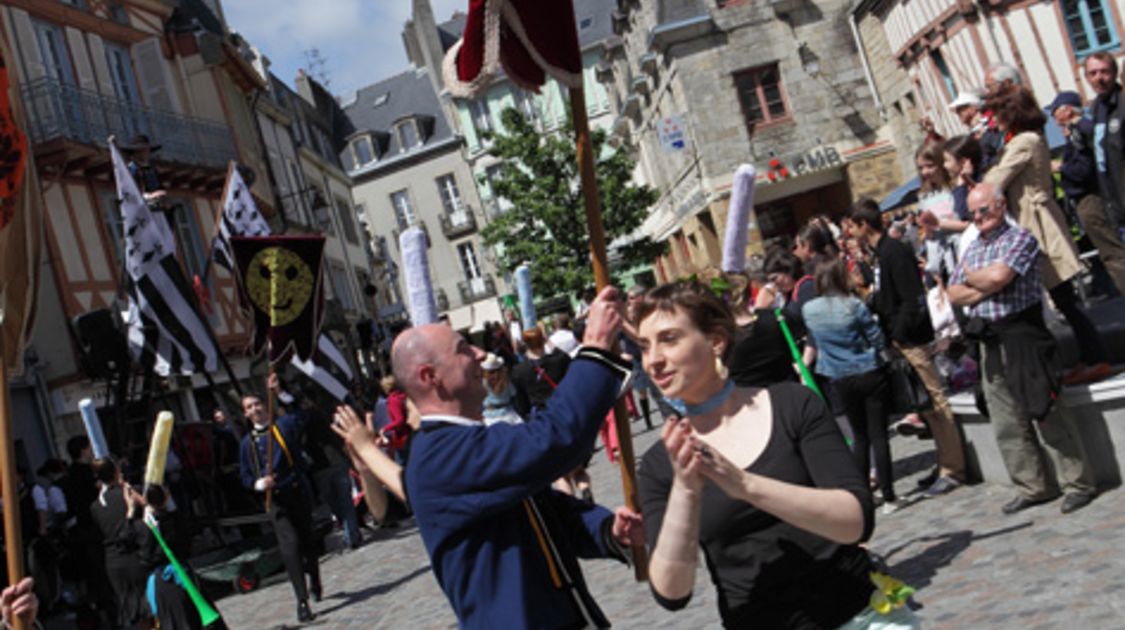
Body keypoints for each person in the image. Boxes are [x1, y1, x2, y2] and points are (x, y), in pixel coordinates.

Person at [339, 287, 643, 629]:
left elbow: (541, 510)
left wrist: (606, 530)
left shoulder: (461, 442)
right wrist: (597, 344)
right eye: (463, 349)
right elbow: (554, 440)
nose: (481, 354)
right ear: (430, 376)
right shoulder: (442, 455)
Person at [633, 282, 913, 629]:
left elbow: (855, 522)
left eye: (669, 339)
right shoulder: (661, 464)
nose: (653, 360)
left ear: (716, 341)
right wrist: (686, 491)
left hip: (858, 614)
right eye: (644, 347)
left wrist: (746, 485)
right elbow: (672, 592)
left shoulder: (792, 405)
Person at [948, 183, 1097, 515]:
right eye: (971, 213)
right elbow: (954, 293)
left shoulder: (1020, 238)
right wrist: (981, 283)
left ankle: (1077, 482)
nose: (978, 218)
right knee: (1005, 419)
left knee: (1045, 408)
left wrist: (978, 281)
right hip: (989, 337)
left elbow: (1001, 275)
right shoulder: (974, 247)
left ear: (1000, 206)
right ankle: (1033, 486)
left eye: (983, 210)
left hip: (1023, 333)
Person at [985, 85, 1112, 385]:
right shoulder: (1026, 139)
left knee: (1064, 297)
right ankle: (1090, 356)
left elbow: (997, 178)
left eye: (997, 113)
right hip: (1034, 221)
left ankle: (1096, 356)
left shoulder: (1024, 142)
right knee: (1061, 298)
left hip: (1038, 224)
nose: (993, 120)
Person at [849, 198, 968, 496]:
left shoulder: (894, 252)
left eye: (852, 226)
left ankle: (954, 468)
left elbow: (912, 298)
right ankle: (943, 462)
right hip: (899, 340)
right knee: (924, 405)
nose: (850, 233)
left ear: (864, 224)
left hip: (911, 339)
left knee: (935, 401)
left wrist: (899, 334)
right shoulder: (880, 255)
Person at [802, 260, 899, 513]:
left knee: (859, 438)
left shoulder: (810, 310)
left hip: (839, 376)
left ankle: (863, 494)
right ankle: (889, 496)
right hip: (867, 369)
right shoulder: (853, 305)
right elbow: (875, 337)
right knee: (879, 435)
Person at [238, 374, 321, 623]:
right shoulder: (246, 444)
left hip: (296, 492)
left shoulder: (282, 426)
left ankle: (314, 577)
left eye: (257, 404)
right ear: (245, 414)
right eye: (249, 407)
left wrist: (280, 391)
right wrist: (257, 483)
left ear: (265, 405)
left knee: (307, 541)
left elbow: (300, 414)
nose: (255, 410)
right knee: (290, 546)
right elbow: (244, 474)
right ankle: (302, 601)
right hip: (275, 502)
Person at [1050, 89, 1125, 296]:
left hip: (1091, 198)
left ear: (1066, 110)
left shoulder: (1080, 130)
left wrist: (1061, 168)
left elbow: (1084, 169)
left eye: (1056, 111)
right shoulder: (1077, 130)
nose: (1053, 117)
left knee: (1112, 252)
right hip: (1088, 199)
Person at [90, 458, 152, 629]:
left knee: (131, 609)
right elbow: (148, 508)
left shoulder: (96, 506)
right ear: (116, 472)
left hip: (113, 562)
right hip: (135, 555)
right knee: (149, 604)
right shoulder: (129, 494)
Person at [1085, 51, 1125, 233]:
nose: (1098, 78)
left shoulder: (1122, 105)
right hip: (1114, 203)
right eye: (1093, 73)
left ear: (1115, 73)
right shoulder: (1093, 112)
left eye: (1104, 72)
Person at [480, 352, 524, 426]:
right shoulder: (506, 380)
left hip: (489, 416)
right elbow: (513, 393)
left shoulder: (482, 382)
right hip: (508, 413)